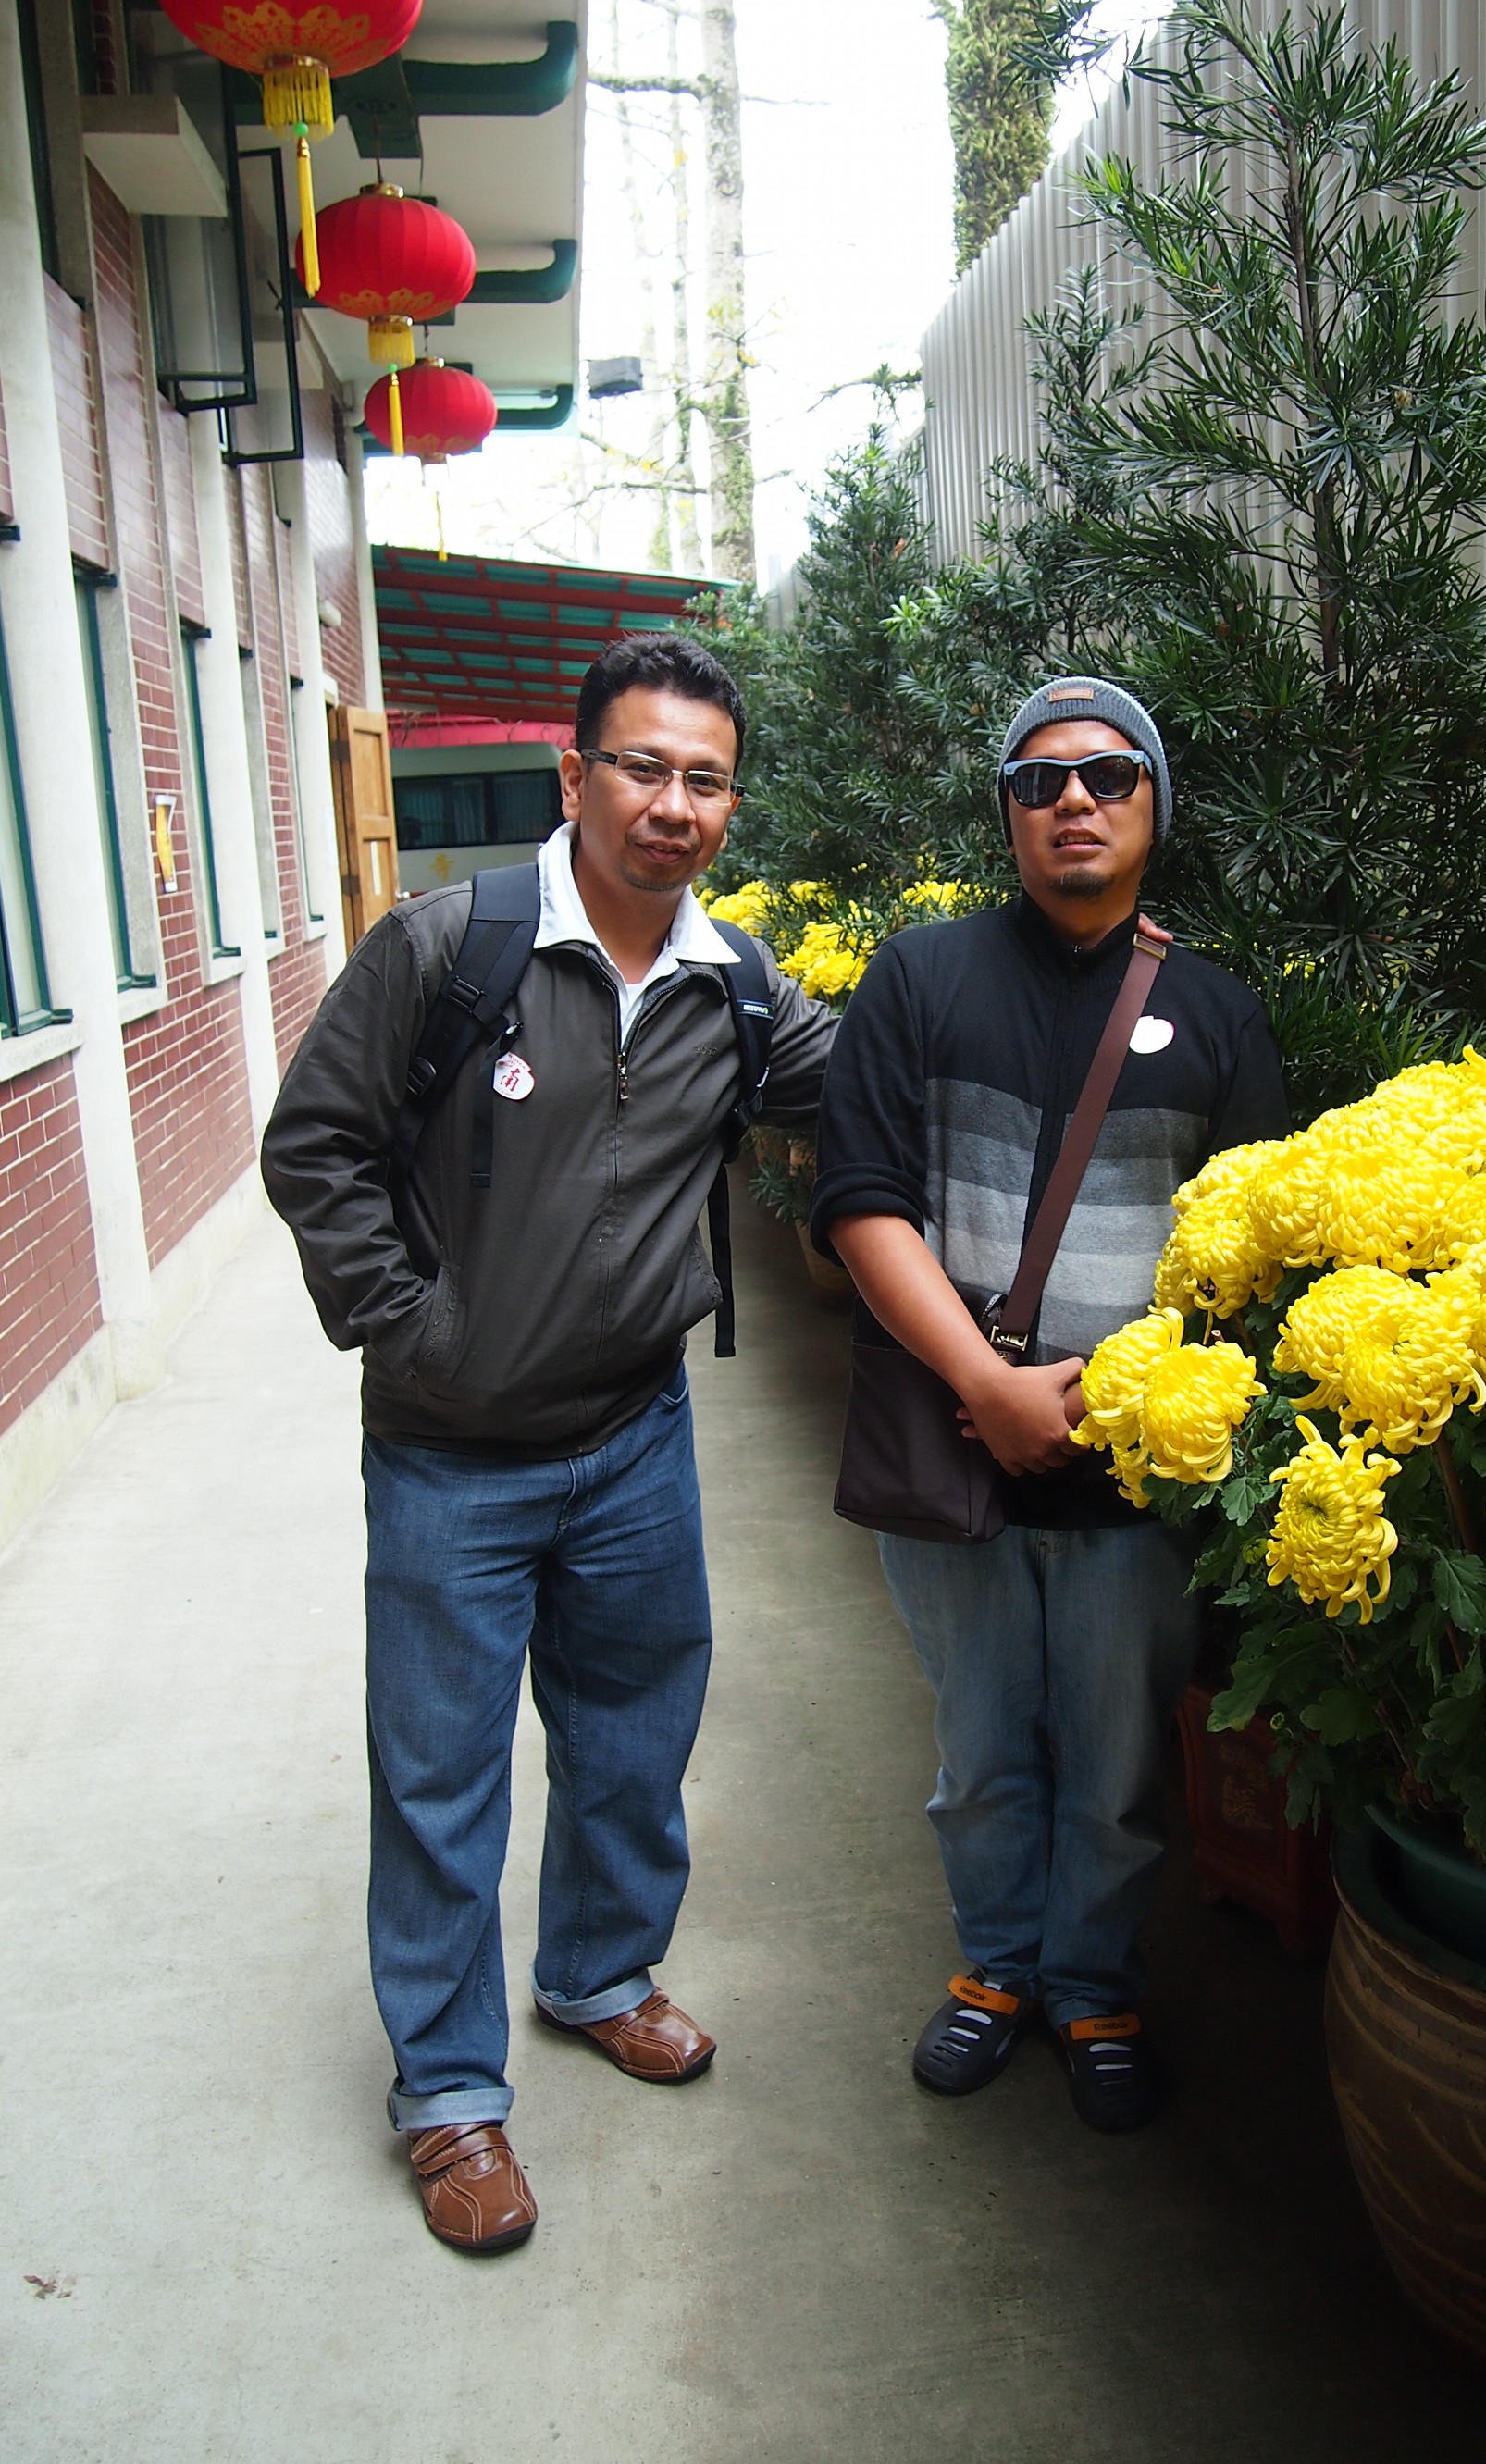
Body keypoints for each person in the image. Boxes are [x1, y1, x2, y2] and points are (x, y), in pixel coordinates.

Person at [263, 634, 836, 2252]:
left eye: (706, 779)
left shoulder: (735, 985)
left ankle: (596, 1972)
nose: (673, 804)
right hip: (451, 1456)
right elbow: (316, 1145)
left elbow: (875, 1073)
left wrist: (1067, 963)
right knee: (440, 1778)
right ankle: (450, 2093)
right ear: (575, 774)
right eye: (643, 766)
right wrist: (414, 1330)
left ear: (731, 805)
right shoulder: (453, 947)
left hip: (637, 1437)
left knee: (635, 1739)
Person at [811, 677, 1289, 2134]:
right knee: (979, 1752)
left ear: (1154, 802)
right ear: (1009, 815)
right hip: (955, 1456)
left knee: (1120, 1763)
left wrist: (1132, 1404)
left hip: (1138, 1479)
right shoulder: (919, 980)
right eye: (1038, 780)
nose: (1073, 798)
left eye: (1107, 773)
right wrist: (988, 1381)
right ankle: (998, 1966)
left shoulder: (1217, 1014)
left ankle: (1093, 1983)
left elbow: (1246, 1252)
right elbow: (863, 1199)